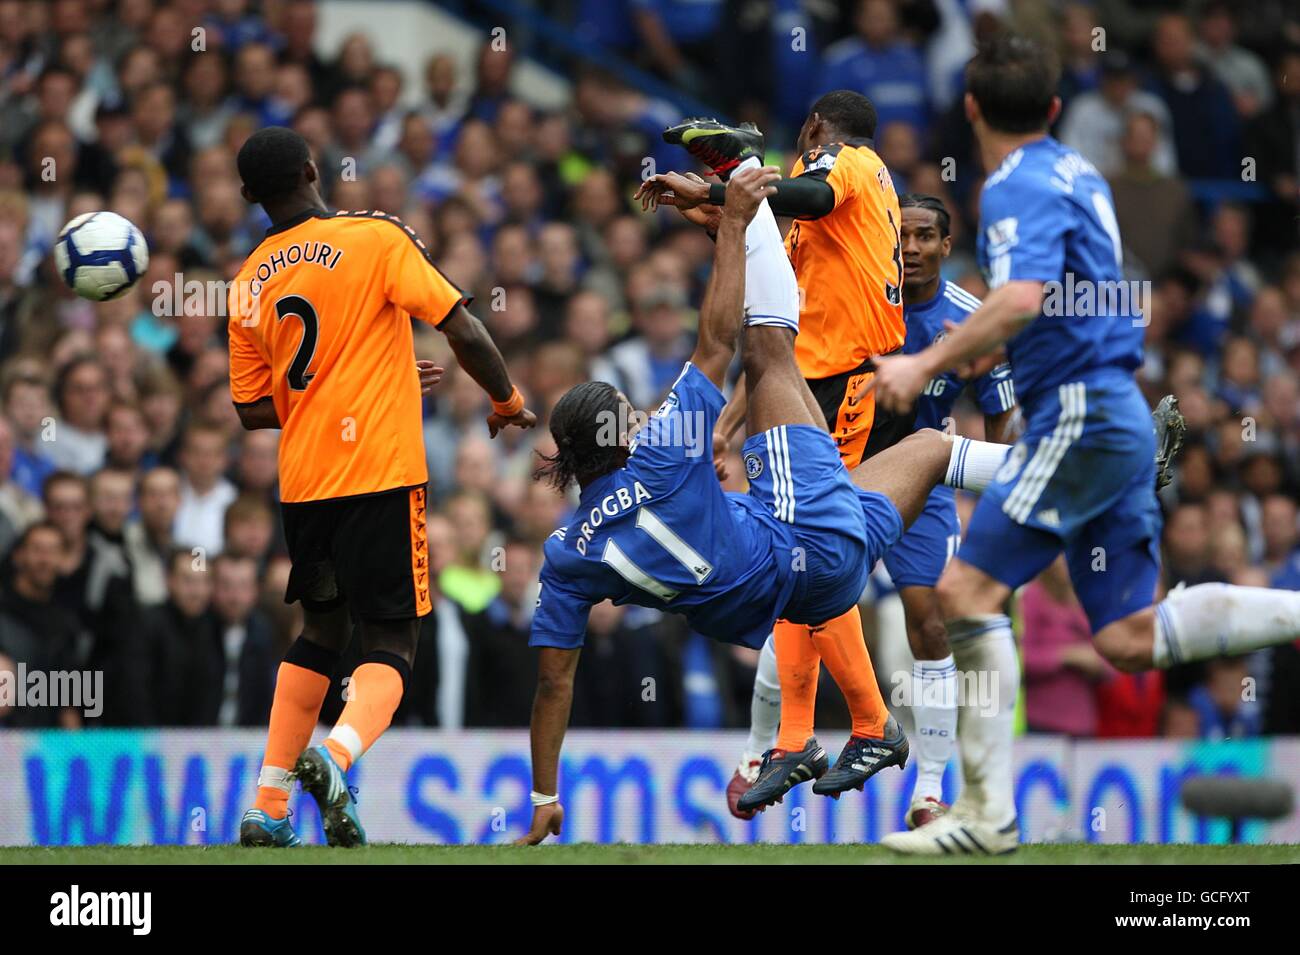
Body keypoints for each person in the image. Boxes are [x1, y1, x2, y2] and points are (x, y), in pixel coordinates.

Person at [869, 34, 1300, 855]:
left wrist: (926, 361)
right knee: (1128, 637)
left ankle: (986, 816)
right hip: (1116, 406)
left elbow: (1026, 295)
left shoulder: (1013, 186)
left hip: (1080, 414)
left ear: (970, 110)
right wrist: (1008, 348)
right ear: (1057, 110)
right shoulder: (1080, 173)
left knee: (963, 595)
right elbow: (1084, 297)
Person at [515, 163, 1027, 845]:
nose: (639, 416)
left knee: (931, 446)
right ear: (617, 433)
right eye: (627, 414)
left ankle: (813, 737)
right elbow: (717, 341)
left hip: (801, 593)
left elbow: (553, 684)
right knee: (766, 352)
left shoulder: (566, 555)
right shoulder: (665, 450)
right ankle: (747, 173)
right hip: (805, 540)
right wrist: (731, 218)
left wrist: (545, 792)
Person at [228, 126, 535, 848]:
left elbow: (250, 408)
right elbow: (461, 327)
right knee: (392, 636)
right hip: (381, 473)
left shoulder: (248, 280)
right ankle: (334, 757)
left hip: (305, 485)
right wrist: (507, 400)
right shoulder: (373, 237)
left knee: (320, 629)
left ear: (248, 196)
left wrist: (372, 380)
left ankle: (269, 804)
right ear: (313, 169)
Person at [642, 93, 917, 813]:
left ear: (816, 131)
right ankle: (820, 731)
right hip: (808, 381)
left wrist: (733, 180)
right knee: (799, 553)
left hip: (837, 380)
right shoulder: (831, 223)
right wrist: (709, 204)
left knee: (812, 552)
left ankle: (835, 728)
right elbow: (761, 245)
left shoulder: (850, 163)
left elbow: (812, 193)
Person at [724, 193, 1019, 828]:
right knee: (797, 607)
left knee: (930, 620)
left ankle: (932, 789)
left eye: (924, 238)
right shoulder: (854, 292)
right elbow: (773, 369)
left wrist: (1004, 498)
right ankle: (757, 753)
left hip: (921, 487)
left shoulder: (967, 319)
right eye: (902, 236)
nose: (911, 248)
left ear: (945, 245)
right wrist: (728, 429)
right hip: (832, 472)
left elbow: (999, 420)